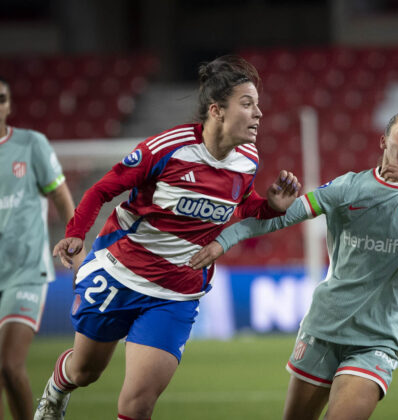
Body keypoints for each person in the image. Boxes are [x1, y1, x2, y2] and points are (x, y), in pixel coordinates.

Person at [34, 55, 301, 420]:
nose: (259, 114)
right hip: (121, 273)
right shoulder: (166, 148)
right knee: (85, 372)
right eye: (247, 104)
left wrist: (270, 206)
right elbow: (101, 189)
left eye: (258, 105)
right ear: (217, 110)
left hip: (176, 291)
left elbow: (242, 207)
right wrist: (76, 234)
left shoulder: (248, 160)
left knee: (137, 404)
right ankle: (55, 391)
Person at [189, 110, 398, 420]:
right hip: (324, 329)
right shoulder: (347, 188)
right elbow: (285, 216)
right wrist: (223, 241)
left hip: (378, 340)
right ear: (384, 140)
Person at [0, 77, 80, 420]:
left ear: (9, 104)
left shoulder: (30, 145)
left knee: (8, 365)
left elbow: (61, 196)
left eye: (1, 97)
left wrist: (76, 242)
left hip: (25, 272)